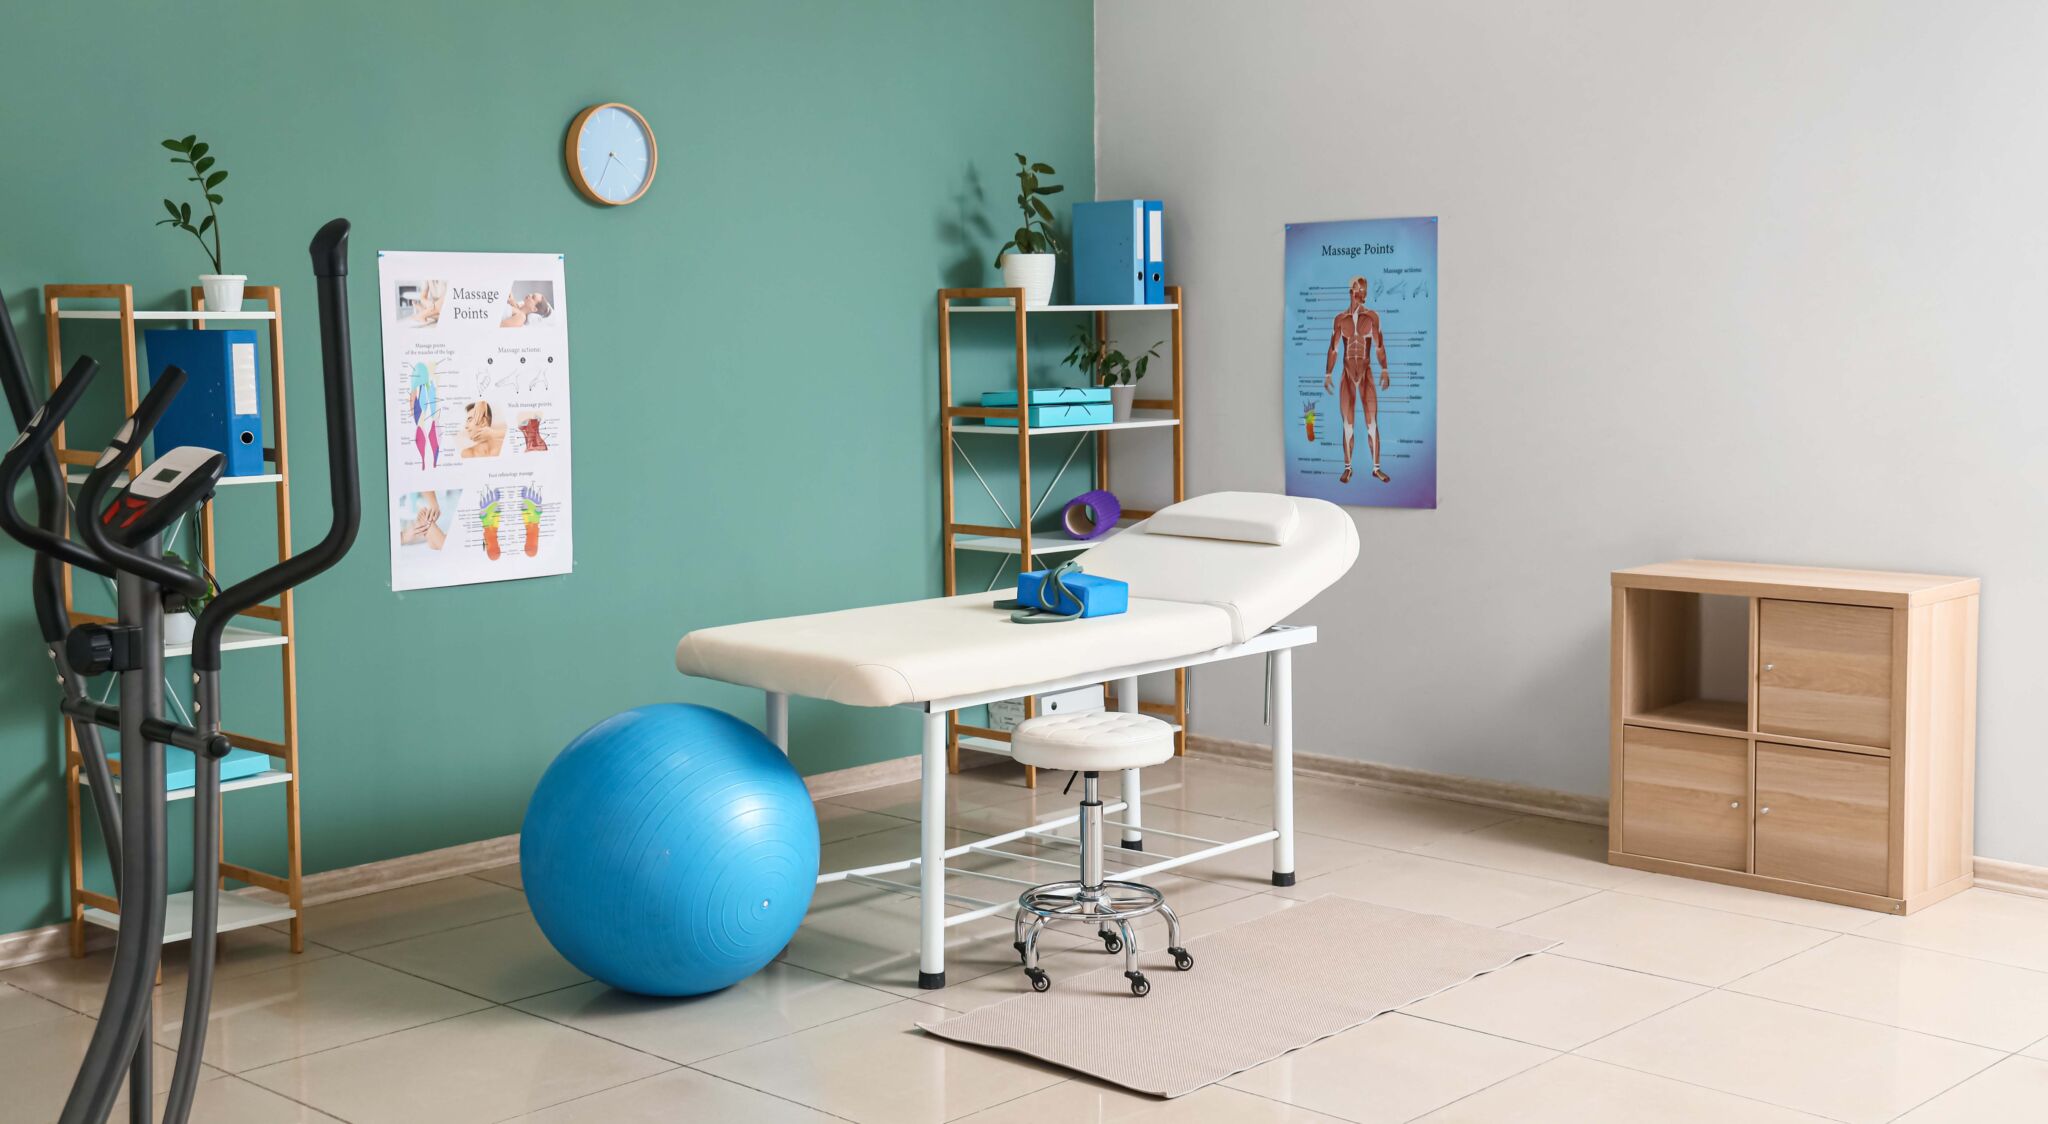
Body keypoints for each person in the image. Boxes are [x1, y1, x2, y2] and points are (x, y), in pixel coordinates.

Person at [1322, 275, 1391, 484]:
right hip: (1347, 374)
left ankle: (1376, 468)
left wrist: (1385, 369)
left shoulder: (1371, 317)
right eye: (1359, 288)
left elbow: (1379, 346)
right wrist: (1328, 373)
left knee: (1371, 423)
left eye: (1364, 289)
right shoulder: (1340, 320)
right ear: (1351, 290)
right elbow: (1333, 349)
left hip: (1366, 372)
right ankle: (1348, 468)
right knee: (1347, 425)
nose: (1363, 293)